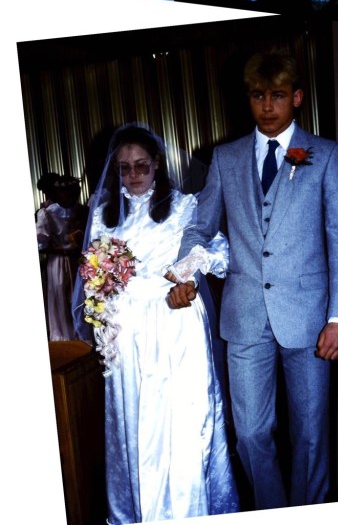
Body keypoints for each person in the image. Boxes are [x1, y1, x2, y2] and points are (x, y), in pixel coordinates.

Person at [170, 51, 338, 510]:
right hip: (245, 317)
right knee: (252, 433)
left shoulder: (326, 156)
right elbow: (201, 226)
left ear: (296, 98)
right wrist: (184, 274)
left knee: (310, 434)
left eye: (277, 96)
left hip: (310, 319)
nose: (267, 106)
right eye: (258, 96)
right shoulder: (225, 157)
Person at [72, 124, 238, 524]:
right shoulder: (105, 219)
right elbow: (94, 275)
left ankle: (188, 509)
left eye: (141, 166)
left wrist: (185, 274)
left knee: (181, 419)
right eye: (124, 168)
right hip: (127, 331)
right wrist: (104, 300)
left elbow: (219, 253)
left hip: (176, 321)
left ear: (158, 164)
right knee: (134, 421)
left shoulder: (183, 207)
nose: (132, 176)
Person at [35, 172, 87, 341]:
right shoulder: (47, 213)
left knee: (80, 296)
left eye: (74, 193)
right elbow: (40, 244)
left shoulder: (82, 211)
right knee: (61, 296)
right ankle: (64, 335)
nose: (70, 197)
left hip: (78, 260)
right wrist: (63, 250)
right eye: (65, 193)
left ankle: (81, 333)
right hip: (58, 261)